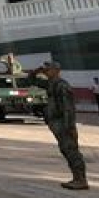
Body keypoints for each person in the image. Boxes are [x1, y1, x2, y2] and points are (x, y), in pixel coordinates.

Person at [30, 61, 88, 190]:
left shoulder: (62, 86)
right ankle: (77, 178)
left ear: (56, 70)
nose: (46, 72)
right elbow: (31, 81)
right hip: (56, 123)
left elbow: (68, 108)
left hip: (64, 124)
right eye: (45, 70)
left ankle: (81, 179)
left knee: (71, 150)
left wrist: (70, 127)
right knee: (65, 150)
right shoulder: (50, 84)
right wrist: (36, 71)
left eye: (48, 69)